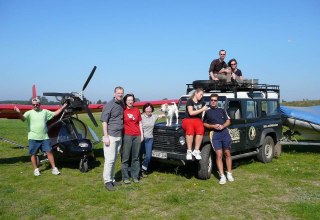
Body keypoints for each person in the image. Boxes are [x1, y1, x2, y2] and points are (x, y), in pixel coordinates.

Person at [14, 97, 67, 176]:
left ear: (39, 104)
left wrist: (63, 107)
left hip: (44, 137)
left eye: (37, 104)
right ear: (32, 105)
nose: (35, 105)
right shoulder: (29, 113)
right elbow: (23, 119)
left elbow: (55, 113)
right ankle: (36, 169)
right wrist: (19, 113)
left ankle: (54, 168)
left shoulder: (44, 111)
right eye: (33, 104)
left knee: (49, 151)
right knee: (33, 154)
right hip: (33, 137)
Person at [203, 94, 234, 185]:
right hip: (214, 134)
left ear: (217, 102)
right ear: (210, 101)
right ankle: (222, 176)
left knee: (227, 153)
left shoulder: (222, 110)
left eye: (215, 100)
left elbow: (228, 121)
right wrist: (212, 126)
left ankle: (229, 173)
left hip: (224, 133)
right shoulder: (207, 112)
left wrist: (223, 126)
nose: (213, 101)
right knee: (219, 154)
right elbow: (204, 124)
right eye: (212, 100)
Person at [101, 86, 124, 191]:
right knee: (109, 160)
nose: (120, 95)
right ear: (114, 93)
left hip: (119, 135)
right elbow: (104, 121)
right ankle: (107, 181)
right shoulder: (109, 105)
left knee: (114, 159)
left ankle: (112, 179)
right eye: (118, 93)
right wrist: (106, 137)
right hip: (110, 136)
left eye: (121, 93)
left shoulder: (122, 104)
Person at [121, 93, 143, 184]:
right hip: (127, 135)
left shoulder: (137, 110)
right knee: (126, 157)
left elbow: (140, 123)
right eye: (128, 100)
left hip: (137, 135)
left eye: (131, 100)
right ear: (125, 101)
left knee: (136, 157)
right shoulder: (123, 110)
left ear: (133, 101)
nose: (130, 101)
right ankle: (125, 177)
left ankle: (135, 176)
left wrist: (142, 135)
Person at [182, 88, 208, 160]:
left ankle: (196, 151)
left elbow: (206, 109)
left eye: (202, 95)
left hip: (197, 120)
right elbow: (191, 113)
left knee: (201, 129)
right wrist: (202, 109)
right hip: (188, 119)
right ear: (196, 93)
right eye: (201, 94)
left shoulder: (202, 102)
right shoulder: (189, 101)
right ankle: (189, 151)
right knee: (190, 130)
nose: (201, 96)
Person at [140, 103, 165, 177]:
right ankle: (137, 171)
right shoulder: (141, 117)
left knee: (148, 157)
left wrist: (167, 109)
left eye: (150, 109)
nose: (148, 110)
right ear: (144, 109)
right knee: (139, 156)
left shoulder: (154, 117)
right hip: (141, 139)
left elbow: (163, 115)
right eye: (147, 109)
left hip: (149, 139)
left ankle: (143, 170)